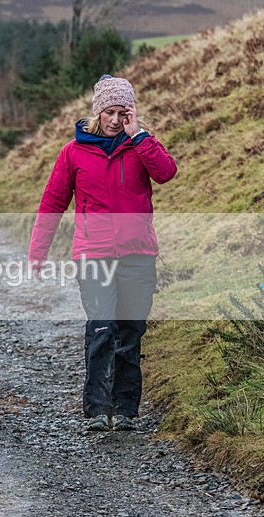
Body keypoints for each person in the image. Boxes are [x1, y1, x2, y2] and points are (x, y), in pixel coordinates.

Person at [28, 75, 177, 432]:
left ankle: (126, 409)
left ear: (131, 113)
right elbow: (53, 202)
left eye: (122, 112)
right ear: (97, 113)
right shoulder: (73, 152)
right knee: (101, 327)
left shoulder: (141, 145)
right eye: (109, 112)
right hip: (93, 254)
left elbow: (167, 173)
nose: (115, 119)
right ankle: (97, 409)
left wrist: (139, 136)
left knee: (129, 331)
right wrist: (38, 251)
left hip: (137, 255)